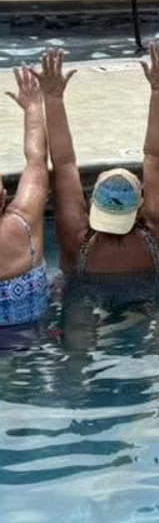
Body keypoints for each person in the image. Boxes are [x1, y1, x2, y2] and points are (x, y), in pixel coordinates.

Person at [35, 44, 159, 279]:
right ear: (141, 204)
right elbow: (155, 157)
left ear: (91, 204)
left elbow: (64, 164)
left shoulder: (75, 240)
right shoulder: (158, 234)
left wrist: (52, 98)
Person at [0, 67, 50, 335]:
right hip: (31, 336)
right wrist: (33, 107)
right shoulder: (24, 222)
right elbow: (37, 159)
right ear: (4, 195)